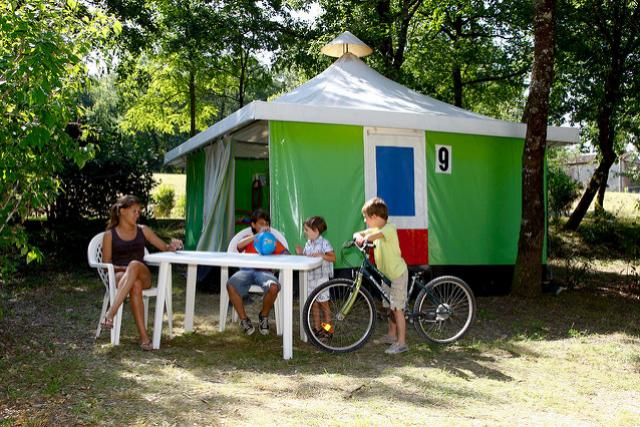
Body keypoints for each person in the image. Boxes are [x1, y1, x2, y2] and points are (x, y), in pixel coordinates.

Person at [100, 195, 183, 351]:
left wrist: (174, 245)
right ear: (122, 211)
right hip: (121, 275)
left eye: (139, 212)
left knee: (134, 266)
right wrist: (127, 270)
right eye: (134, 211)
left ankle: (111, 313)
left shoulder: (143, 230)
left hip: (143, 274)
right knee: (134, 283)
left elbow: (165, 248)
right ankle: (144, 338)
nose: (137, 215)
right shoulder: (109, 235)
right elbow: (106, 264)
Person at [353, 197, 409, 354]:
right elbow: (359, 233)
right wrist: (358, 236)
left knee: (397, 308)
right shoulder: (376, 229)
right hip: (387, 275)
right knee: (389, 306)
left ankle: (402, 342)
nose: (365, 221)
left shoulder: (389, 228)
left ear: (375, 217)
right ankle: (391, 335)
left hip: (397, 274)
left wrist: (364, 238)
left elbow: (371, 236)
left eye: (366, 217)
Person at [227, 209, 289, 336]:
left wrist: (275, 244)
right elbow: (238, 246)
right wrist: (256, 236)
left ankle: (263, 316)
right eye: (261, 224)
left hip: (265, 272)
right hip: (246, 270)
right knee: (231, 285)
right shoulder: (248, 238)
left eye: (267, 224)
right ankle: (244, 319)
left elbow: (287, 255)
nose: (264, 227)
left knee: (273, 287)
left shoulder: (271, 240)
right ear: (253, 225)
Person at [295, 216, 336, 341]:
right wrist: (302, 253)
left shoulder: (324, 243)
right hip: (310, 278)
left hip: (321, 279)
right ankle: (317, 329)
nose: (305, 232)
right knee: (313, 304)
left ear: (316, 231)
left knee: (324, 306)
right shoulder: (308, 243)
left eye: (307, 230)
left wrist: (322, 255)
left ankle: (328, 330)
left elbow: (333, 257)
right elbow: (309, 257)